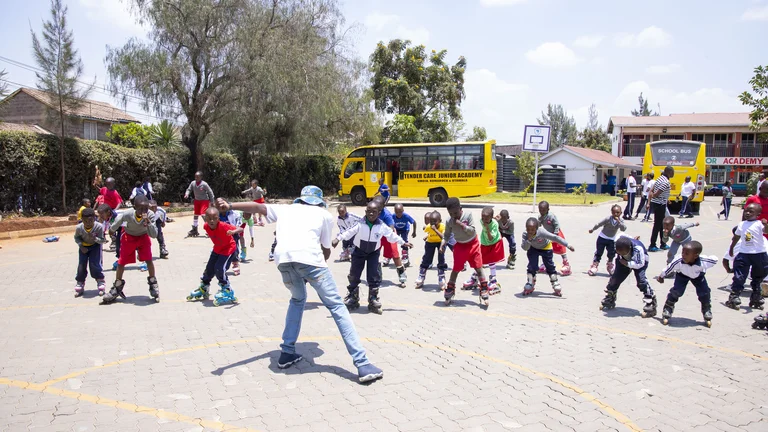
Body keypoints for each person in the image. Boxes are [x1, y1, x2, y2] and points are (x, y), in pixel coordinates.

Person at [218, 186, 385, 383]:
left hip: (284, 261)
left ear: (301, 199)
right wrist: (317, 265)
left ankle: (287, 352)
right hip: (311, 261)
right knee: (337, 306)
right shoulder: (324, 214)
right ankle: (362, 363)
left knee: (297, 299)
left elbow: (257, 207)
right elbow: (325, 250)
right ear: (319, 201)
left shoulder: (286, 209)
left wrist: (229, 205)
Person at [333, 202, 411, 314]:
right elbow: (348, 231)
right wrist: (337, 239)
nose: (371, 213)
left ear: (379, 213)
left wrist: (404, 242)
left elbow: (391, 235)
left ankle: (373, 299)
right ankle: (353, 297)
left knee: (374, 276)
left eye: (374, 212)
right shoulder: (360, 223)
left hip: (373, 253)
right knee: (354, 274)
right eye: (368, 211)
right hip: (359, 252)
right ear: (365, 212)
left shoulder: (381, 226)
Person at [101, 196, 160, 304]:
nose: (143, 211)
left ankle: (153, 282)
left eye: (146, 209)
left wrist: (149, 223)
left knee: (148, 260)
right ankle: (117, 286)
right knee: (121, 262)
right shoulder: (128, 214)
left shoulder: (150, 215)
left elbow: (154, 234)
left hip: (143, 236)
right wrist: (112, 229)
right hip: (129, 236)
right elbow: (119, 220)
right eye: (140, 209)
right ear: (134, 207)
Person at [187, 207, 242, 306]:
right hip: (217, 248)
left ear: (218, 219)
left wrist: (233, 232)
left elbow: (240, 228)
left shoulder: (224, 226)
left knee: (219, 268)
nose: (212, 221)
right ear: (205, 218)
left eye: (215, 218)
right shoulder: (205, 226)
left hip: (228, 249)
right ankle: (204, 287)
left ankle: (227, 289)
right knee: (209, 268)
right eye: (209, 218)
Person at [440, 198, 489, 305]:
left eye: (456, 213)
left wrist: (462, 225)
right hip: (460, 246)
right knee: (456, 269)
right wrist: (443, 242)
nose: (454, 215)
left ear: (460, 209)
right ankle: (450, 289)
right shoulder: (449, 221)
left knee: (478, 267)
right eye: (451, 213)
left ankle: (484, 288)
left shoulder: (468, 215)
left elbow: (472, 230)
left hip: (473, 244)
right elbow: (447, 234)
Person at [655, 241, 716, 326]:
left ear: (696, 255)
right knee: (677, 291)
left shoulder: (704, 261)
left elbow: (714, 259)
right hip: (682, 275)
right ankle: (668, 307)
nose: (683, 255)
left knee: (704, 292)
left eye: (687, 253)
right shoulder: (679, 261)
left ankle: (706, 309)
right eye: (682, 252)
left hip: (698, 276)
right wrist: (661, 276)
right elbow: (669, 268)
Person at [599, 236, 657, 318]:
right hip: (623, 262)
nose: (621, 254)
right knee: (615, 279)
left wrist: (628, 264)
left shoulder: (638, 249)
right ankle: (610, 297)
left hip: (640, 262)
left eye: (623, 253)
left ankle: (651, 302)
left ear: (629, 248)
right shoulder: (618, 244)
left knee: (641, 281)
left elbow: (640, 264)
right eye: (619, 253)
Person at [725, 203, 767, 310]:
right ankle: (734, 296)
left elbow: (766, 231)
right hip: (744, 254)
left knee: (758, 277)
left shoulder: (759, 224)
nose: (747, 213)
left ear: (758, 214)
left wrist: (766, 225)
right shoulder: (741, 224)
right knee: (739, 276)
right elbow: (736, 237)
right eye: (746, 211)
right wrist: (731, 249)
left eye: (751, 212)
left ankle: (756, 297)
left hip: (759, 254)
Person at [521, 218, 574, 296]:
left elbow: (555, 238)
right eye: (528, 229)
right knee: (532, 265)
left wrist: (567, 245)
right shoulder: (525, 234)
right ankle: (530, 281)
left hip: (546, 248)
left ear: (537, 228)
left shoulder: (541, 232)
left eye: (532, 230)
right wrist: (528, 240)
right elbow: (524, 248)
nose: (530, 231)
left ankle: (555, 282)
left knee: (549, 266)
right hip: (533, 248)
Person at [464, 207, 504, 294]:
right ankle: (475, 277)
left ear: (491, 217)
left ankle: (493, 280)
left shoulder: (494, 225)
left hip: (493, 243)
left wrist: (487, 228)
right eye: (483, 217)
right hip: (485, 243)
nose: (484, 220)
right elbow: (486, 220)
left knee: (491, 262)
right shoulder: (482, 220)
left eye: (486, 218)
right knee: (479, 261)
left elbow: (490, 238)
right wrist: (489, 220)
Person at [372, 196, 407, 287]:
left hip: (388, 236)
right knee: (374, 254)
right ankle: (377, 275)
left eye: (378, 207)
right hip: (378, 236)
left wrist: (388, 232)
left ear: (383, 206)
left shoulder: (386, 214)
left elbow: (391, 227)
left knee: (395, 256)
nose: (375, 208)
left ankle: (402, 276)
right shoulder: (372, 211)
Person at [74, 208, 107, 297]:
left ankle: (100, 280)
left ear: (94, 219)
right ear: (82, 220)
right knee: (81, 265)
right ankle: (80, 282)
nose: (88, 223)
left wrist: (95, 239)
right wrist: (81, 246)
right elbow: (77, 238)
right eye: (85, 221)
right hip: (83, 248)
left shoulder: (98, 227)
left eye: (91, 221)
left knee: (94, 264)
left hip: (95, 247)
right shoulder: (79, 228)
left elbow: (103, 240)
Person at [588, 204, 626, 276]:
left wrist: (619, 222)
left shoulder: (621, 221)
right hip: (602, 238)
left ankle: (610, 266)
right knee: (599, 252)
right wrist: (592, 229)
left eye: (618, 213)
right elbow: (599, 224)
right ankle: (594, 265)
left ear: (621, 213)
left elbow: (623, 229)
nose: (615, 214)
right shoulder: (608, 219)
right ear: (611, 212)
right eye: (614, 212)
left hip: (611, 240)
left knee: (611, 253)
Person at [538, 201, 571, 275]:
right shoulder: (540, 217)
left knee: (561, 249)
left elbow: (557, 226)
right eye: (540, 210)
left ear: (548, 209)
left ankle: (566, 265)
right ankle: (545, 263)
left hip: (556, 234)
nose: (542, 212)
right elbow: (539, 225)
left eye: (543, 210)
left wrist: (555, 235)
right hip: (548, 235)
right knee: (547, 249)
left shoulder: (551, 216)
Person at [416, 211, 447, 289]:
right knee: (427, 258)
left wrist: (435, 230)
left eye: (435, 222)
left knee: (441, 259)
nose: (433, 224)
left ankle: (441, 277)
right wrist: (426, 235)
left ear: (440, 220)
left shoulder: (443, 226)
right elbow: (427, 231)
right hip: (430, 243)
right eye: (431, 221)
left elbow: (443, 237)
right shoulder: (429, 226)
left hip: (440, 243)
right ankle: (421, 275)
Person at [648, 166, 674, 252]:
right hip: (660, 204)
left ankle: (663, 243)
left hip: (657, 203)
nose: (673, 173)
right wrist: (655, 195)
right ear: (669, 172)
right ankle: (652, 245)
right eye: (672, 172)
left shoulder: (659, 178)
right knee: (657, 225)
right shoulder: (665, 182)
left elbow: (652, 190)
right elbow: (656, 194)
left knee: (661, 225)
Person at [184, 171, 215, 237]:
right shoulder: (193, 183)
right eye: (195, 177)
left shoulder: (204, 184)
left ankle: (209, 229)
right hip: (197, 201)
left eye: (198, 177)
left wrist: (212, 201)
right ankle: (195, 229)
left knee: (203, 214)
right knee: (196, 215)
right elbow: (189, 189)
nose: (196, 178)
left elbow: (210, 192)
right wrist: (187, 194)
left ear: (201, 177)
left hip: (204, 201)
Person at [218, 206, 244, 276]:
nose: (221, 207)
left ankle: (235, 264)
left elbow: (240, 227)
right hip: (221, 236)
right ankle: (221, 267)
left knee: (234, 252)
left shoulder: (235, 214)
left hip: (233, 234)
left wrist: (233, 231)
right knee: (220, 252)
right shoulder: (216, 215)